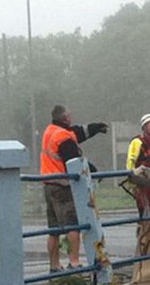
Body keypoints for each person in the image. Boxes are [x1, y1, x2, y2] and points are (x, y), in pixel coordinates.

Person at [40, 104, 107, 272]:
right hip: (62, 185)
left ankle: (54, 265)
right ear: (65, 118)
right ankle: (74, 261)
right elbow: (74, 159)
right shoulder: (63, 136)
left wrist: (94, 128)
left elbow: (78, 132)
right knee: (73, 224)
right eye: (70, 116)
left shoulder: (51, 130)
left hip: (48, 183)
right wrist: (93, 170)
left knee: (53, 229)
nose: (72, 118)